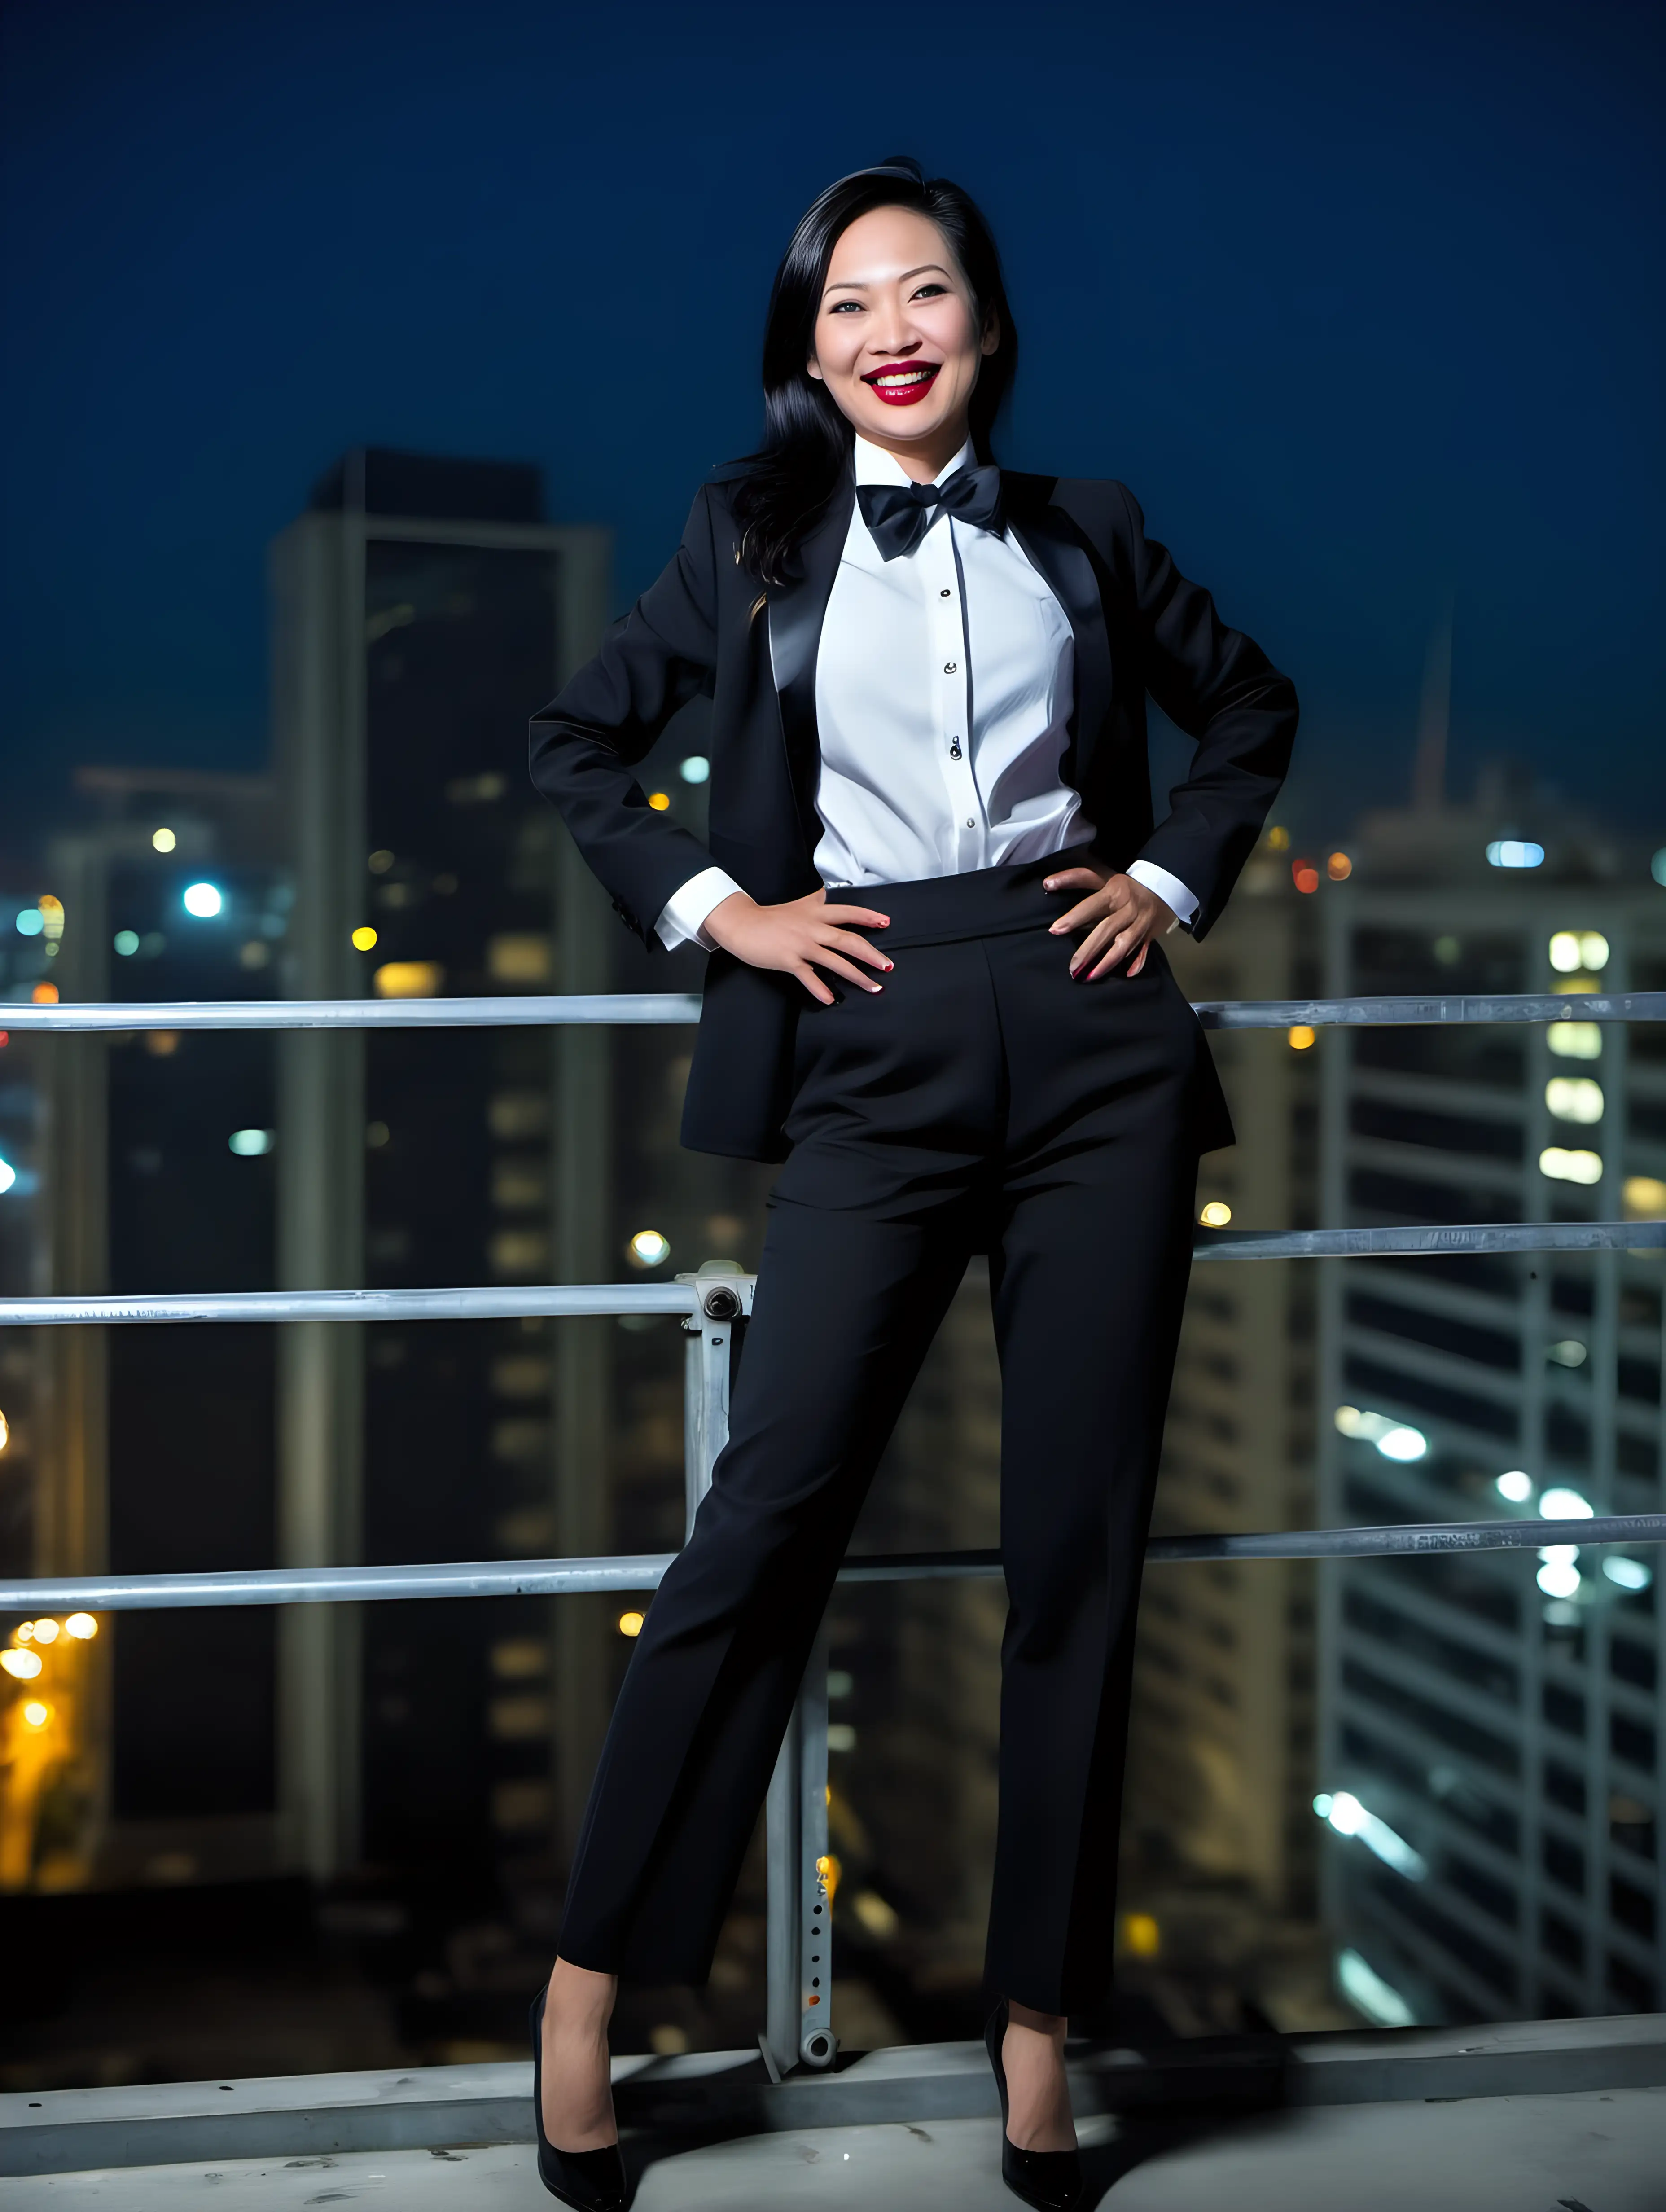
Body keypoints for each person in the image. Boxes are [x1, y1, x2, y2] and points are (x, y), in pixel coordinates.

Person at [526, 154, 1297, 2212]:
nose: (892, 329)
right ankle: (586, 1992)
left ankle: (1036, 2033)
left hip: (1093, 1038)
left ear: (984, 323)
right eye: (851, 301)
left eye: (927, 292)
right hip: (865, 1045)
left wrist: (1159, 876)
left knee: (1079, 1550)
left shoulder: (1088, 530)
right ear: (806, 345)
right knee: (761, 1518)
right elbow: (578, 746)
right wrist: (725, 915)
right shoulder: (747, 538)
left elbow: (1250, 709)